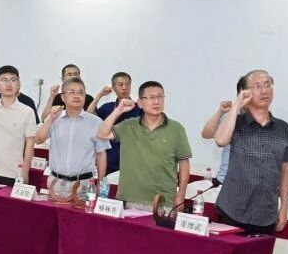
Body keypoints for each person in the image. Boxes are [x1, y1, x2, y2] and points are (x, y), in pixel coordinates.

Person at [213, 69, 288, 235]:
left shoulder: (283, 128)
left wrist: (284, 208)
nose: (264, 90)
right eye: (258, 86)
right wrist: (237, 104)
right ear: (246, 92)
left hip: (266, 214)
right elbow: (221, 140)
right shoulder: (236, 122)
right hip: (233, 209)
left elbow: (285, 169)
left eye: (267, 85)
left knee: (261, 253)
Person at [99, 81, 192, 209]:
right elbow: (102, 134)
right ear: (140, 103)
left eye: (160, 97)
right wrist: (118, 111)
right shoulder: (128, 125)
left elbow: (184, 163)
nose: (156, 101)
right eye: (151, 97)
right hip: (130, 199)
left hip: (163, 202)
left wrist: (180, 196)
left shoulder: (176, 129)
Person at [36, 78, 109, 187]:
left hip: (84, 184)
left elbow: (101, 154)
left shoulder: (96, 122)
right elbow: (38, 140)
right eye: (71, 92)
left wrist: (100, 183)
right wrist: (50, 118)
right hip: (56, 182)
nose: (76, 96)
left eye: (81, 92)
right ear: (63, 97)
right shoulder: (55, 117)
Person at [199, 75, 249, 183]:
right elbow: (206, 134)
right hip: (225, 180)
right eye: (245, 93)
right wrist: (220, 112)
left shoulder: (265, 120)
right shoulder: (230, 116)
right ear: (238, 95)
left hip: (251, 184)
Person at [88, 72, 138, 175]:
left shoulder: (139, 108)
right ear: (114, 88)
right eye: (120, 84)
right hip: (108, 163)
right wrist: (99, 95)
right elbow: (88, 117)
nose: (124, 87)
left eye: (127, 84)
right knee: (104, 185)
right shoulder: (107, 107)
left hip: (133, 163)